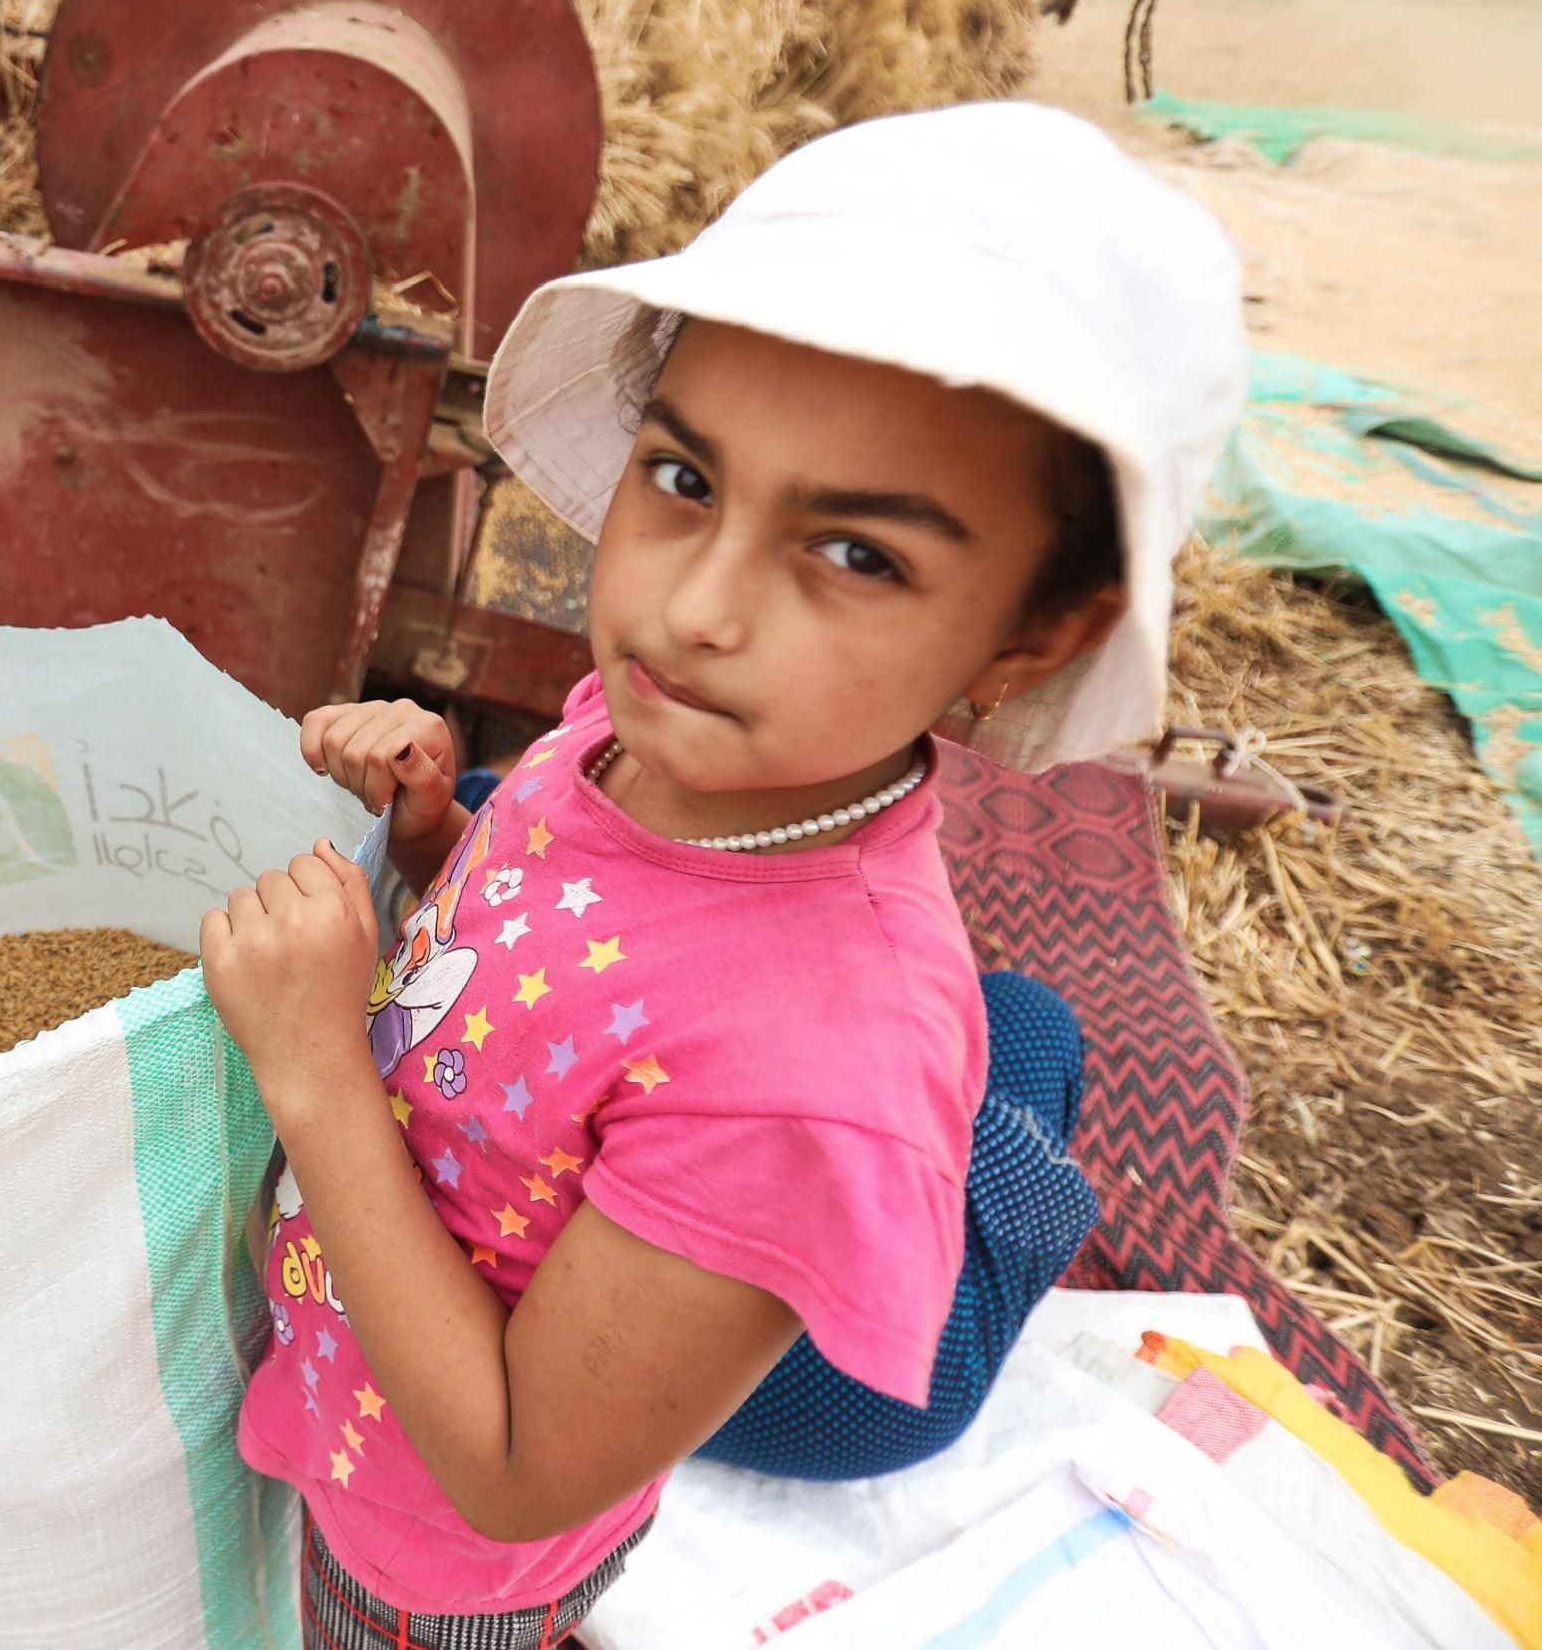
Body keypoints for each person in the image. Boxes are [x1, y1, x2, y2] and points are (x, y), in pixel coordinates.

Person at [200, 103, 1246, 1647]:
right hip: (351, 1413)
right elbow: (527, 946)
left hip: (431, 1575)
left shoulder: (814, 1074)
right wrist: (434, 837)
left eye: (861, 555)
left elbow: (513, 1469)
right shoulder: (652, 745)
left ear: (1033, 635)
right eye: (685, 477)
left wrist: (313, 1074)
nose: (694, 610)